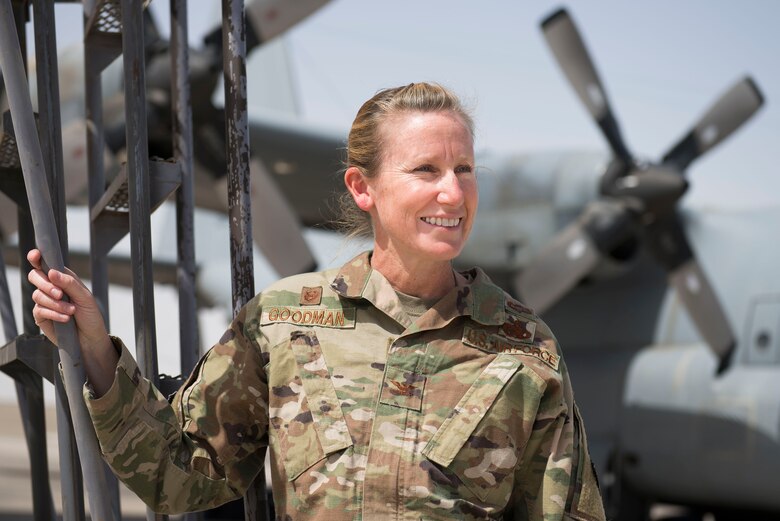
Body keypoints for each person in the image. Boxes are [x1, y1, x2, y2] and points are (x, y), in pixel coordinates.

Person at [27, 82, 605, 520]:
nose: (452, 192)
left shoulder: (524, 347)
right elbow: (183, 473)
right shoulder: (282, 321)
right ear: (363, 187)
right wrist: (98, 353)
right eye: (425, 169)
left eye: (465, 169)